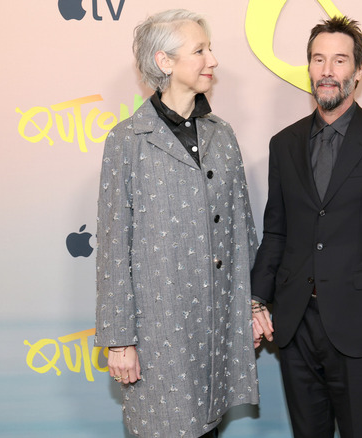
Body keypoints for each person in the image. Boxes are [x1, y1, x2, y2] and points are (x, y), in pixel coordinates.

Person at [250, 16, 362, 438]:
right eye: (318, 59)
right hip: (295, 325)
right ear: (309, 68)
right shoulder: (284, 144)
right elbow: (276, 232)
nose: (327, 70)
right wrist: (255, 300)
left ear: (359, 71)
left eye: (340, 60)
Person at [94, 10, 259, 438]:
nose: (213, 60)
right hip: (158, 329)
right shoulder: (126, 141)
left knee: (209, 427)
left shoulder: (223, 135)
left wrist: (255, 305)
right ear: (164, 61)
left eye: (210, 48)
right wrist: (119, 340)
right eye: (199, 50)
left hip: (217, 324)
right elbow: (113, 249)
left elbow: (243, 230)